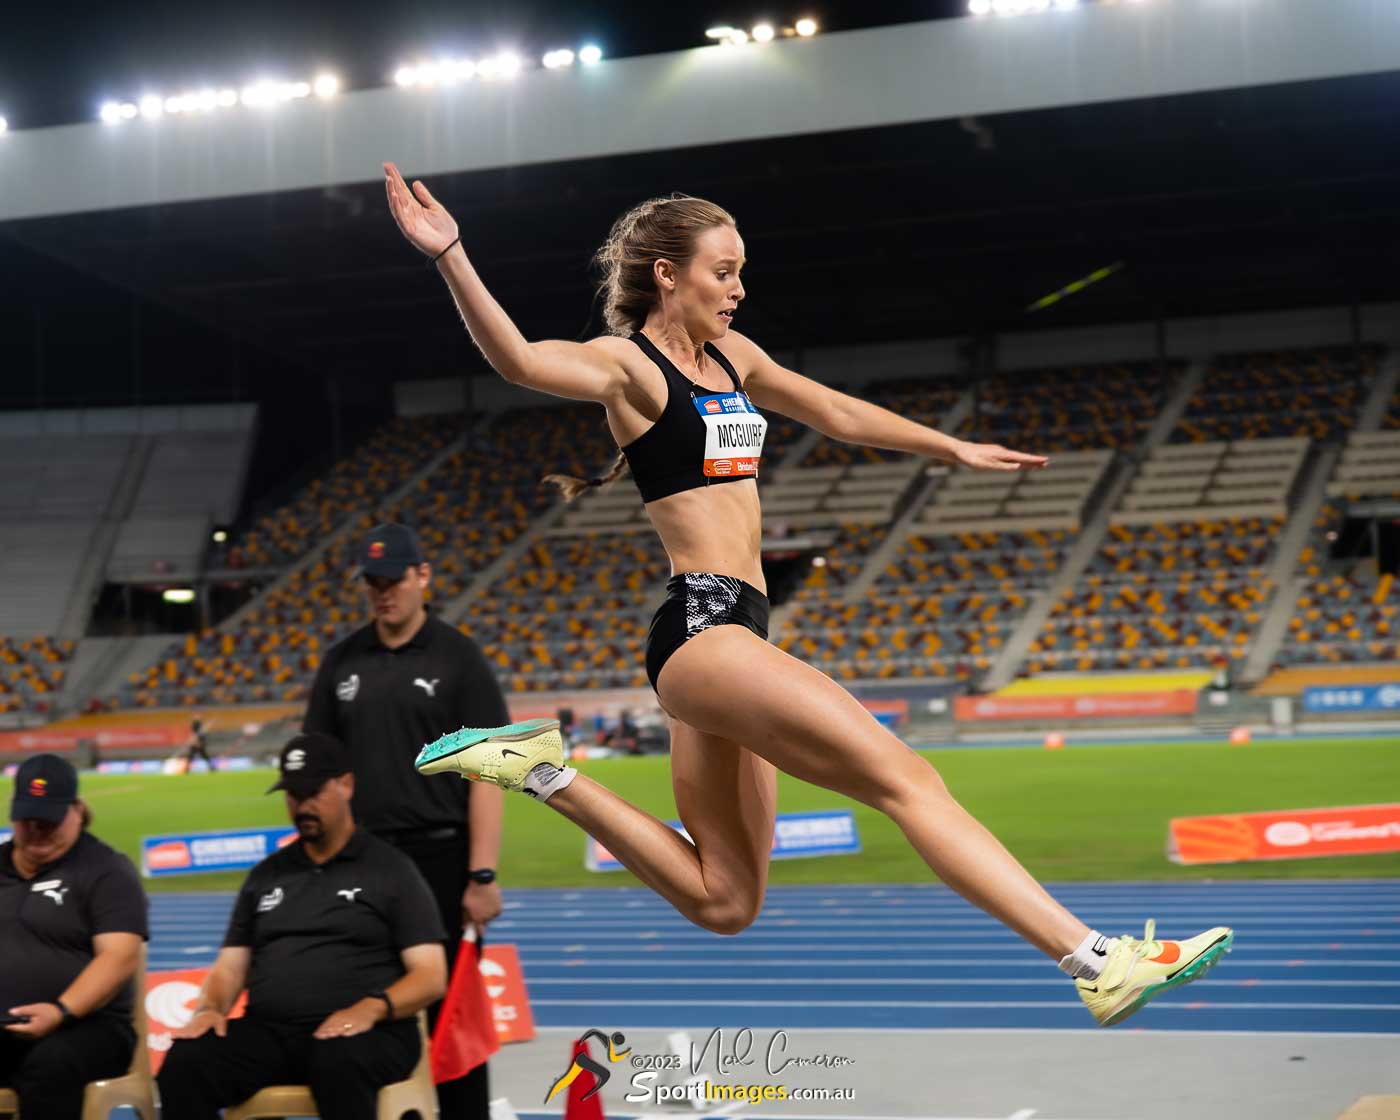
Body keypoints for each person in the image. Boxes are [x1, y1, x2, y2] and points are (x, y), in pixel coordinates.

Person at [385, 165, 1234, 1027]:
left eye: (742, 272)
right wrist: (452, 255)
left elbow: (835, 411)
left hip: (730, 636)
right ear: (667, 275)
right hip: (703, 628)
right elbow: (522, 361)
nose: (739, 289)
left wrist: (951, 449)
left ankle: (540, 770)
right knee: (908, 781)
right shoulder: (628, 367)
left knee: (725, 901)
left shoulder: (734, 359)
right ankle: (1097, 961)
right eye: (723, 272)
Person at [303, 521, 508, 1115]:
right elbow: (316, 769)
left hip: (442, 859)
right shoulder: (341, 662)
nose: (383, 593)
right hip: (361, 861)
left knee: (452, 1019)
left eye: (393, 580)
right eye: (373, 583)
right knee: (360, 1003)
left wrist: (483, 875)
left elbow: (490, 771)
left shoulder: (458, 657)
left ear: (423, 577)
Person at [158, 733, 447, 1120]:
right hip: (271, 1032)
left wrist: (371, 1008)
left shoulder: (391, 870)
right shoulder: (265, 875)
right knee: (186, 1062)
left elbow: (430, 975)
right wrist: (209, 1009)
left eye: (313, 792)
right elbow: (230, 967)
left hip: (370, 1031)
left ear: (346, 785)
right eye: (293, 794)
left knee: (337, 1062)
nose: (302, 805)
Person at [0, 754, 147, 1119]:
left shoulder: (107, 871)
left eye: (49, 820)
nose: (38, 829)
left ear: (77, 811)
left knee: (51, 1065)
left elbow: (119, 957)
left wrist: (61, 1011)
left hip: (90, 1027)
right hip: (5, 1023)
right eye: (28, 820)